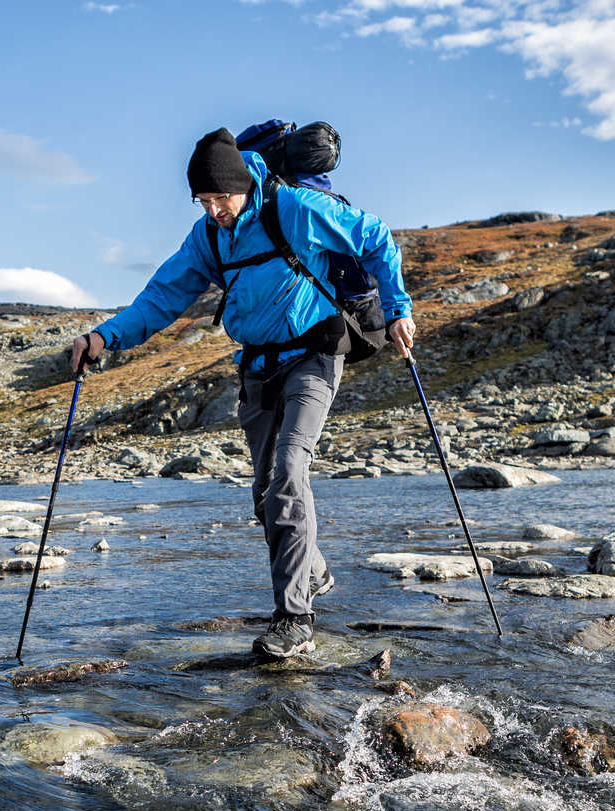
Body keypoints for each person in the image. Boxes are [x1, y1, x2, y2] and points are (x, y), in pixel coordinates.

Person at [69, 127, 415, 659]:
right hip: (256, 367)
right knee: (265, 496)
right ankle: (313, 572)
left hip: (315, 357)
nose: (214, 210)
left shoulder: (294, 209)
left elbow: (374, 237)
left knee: (288, 475)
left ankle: (295, 619)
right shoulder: (208, 237)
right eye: (203, 201)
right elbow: (161, 297)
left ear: (243, 186)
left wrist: (398, 309)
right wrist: (103, 337)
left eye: (221, 198)